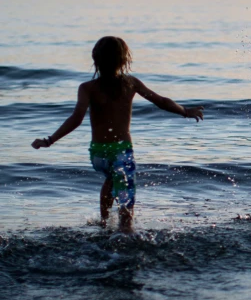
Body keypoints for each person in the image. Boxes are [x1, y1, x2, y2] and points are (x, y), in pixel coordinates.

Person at [32, 36, 204, 232]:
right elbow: (161, 101)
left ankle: (104, 223)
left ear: (95, 59)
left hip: (98, 153)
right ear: (124, 61)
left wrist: (49, 140)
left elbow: (76, 118)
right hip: (122, 151)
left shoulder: (88, 88)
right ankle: (125, 231)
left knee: (111, 179)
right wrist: (184, 111)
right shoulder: (130, 83)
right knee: (125, 198)